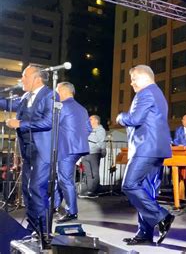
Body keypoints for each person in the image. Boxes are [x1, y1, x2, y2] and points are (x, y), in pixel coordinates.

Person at [117, 65, 174, 246]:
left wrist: (120, 117)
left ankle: (162, 216)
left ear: (144, 77)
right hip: (156, 150)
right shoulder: (157, 93)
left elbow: (134, 119)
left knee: (130, 185)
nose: (131, 83)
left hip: (146, 149)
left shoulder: (145, 93)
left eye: (133, 78)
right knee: (147, 191)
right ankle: (144, 233)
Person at [0, 65, 54, 235]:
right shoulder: (25, 96)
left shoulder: (50, 95)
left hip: (42, 151)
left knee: (37, 189)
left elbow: (48, 122)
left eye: (24, 76)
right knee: (27, 190)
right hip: (27, 151)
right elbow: (9, 103)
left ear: (37, 78)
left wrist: (20, 124)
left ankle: (43, 231)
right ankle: (32, 228)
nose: (21, 79)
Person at [54, 82, 91, 223]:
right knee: (61, 177)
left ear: (63, 91)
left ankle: (71, 212)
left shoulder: (61, 106)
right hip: (78, 148)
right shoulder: (82, 109)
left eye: (57, 91)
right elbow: (88, 128)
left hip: (66, 148)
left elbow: (52, 125)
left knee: (64, 179)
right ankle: (55, 205)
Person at [79, 115, 106, 198]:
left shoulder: (100, 130)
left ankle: (93, 191)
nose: (89, 120)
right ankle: (89, 190)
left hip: (94, 153)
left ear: (96, 121)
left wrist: (88, 137)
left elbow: (101, 142)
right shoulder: (88, 130)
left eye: (91, 119)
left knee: (95, 172)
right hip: (85, 153)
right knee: (88, 173)